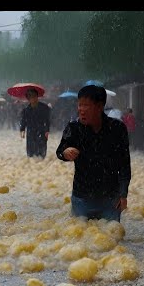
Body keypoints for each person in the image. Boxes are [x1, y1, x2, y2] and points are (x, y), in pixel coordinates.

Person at [56, 85, 131, 222]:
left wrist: (123, 194)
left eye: (86, 106)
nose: (81, 110)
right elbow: (60, 151)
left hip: (110, 200)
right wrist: (65, 153)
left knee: (111, 241)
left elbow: (125, 164)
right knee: (79, 240)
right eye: (79, 105)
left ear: (99, 106)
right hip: (81, 199)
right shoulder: (74, 128)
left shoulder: (117, 129)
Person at [20, 88, 51, 158]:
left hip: (41, 131)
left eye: (34, 96)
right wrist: (22, 129)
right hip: (30, 132)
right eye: (31, 97)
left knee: (41, 154)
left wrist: (47, 130)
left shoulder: (44, 107)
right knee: (30, 154)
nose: (33, 98)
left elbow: (47, 120)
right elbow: (23, 120)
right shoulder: (26, 110)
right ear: (28, 99)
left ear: (37, 97)